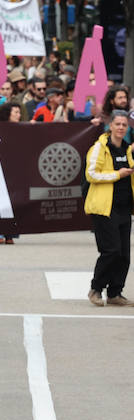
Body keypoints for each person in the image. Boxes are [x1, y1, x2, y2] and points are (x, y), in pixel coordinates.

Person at [84, 110, 132, 307]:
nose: (121, 128)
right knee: (110, 251)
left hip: (124, 208)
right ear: (110, 126)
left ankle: (115, 293)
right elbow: (91, 174)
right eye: (118, 124)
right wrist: (116, 174)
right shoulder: (99, 148)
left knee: (124, 255)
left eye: (124, 125)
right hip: (104, 207)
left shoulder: (128, 150)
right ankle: (96, 289)